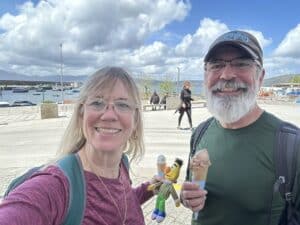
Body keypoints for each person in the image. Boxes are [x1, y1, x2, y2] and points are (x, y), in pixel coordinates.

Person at [0, 67, 157, 225]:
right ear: (81, 113)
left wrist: (150, 188)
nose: (109, 115)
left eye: (122, 105)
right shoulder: (56, 186)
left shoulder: (122, 163)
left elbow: (121, 205)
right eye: (97, 103)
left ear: (136, 119)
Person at [180, 30, 300, 225]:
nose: (226, 75)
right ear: (205, 76)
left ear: (260, 76)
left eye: (241, 64)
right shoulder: (200, 133)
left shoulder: (292, 145)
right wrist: (187, 198)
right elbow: (193, 189)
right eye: (217, 65)